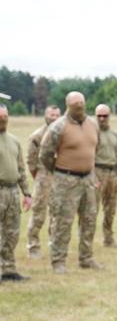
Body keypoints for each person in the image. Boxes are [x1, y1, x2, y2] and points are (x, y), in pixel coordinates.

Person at [39, 92, 101, 273]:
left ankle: (86, 257)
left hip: (88, 179)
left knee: (89, 219)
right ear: (67, 105)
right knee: (62, 221)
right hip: (65, 180)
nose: (79, 107)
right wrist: (59, 171)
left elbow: (95, 148)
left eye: (81, 103)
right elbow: (45, 154)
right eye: (75, 104)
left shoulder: (92, 124)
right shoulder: (58, 127)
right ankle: (58, 260)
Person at [0, 105, 33, 282]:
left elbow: (20, 168)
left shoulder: (13, 141)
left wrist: (27, 193)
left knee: (11, 233)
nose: (3, 120)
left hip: (12, 192)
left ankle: (8, 269)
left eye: (5, 116)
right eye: (0, 117)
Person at [26, 105, 61, 258]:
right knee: (38, 213)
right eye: (51, 115)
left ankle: (54, 245)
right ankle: (33, 246)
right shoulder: (37, 136)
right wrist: (40, 177)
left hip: (60, 178)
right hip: (43, 177)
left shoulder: (62, 134)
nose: (54, 118)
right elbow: (31, 162)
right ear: (45, 116)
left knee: (57, 214)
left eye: (57, 115)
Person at [94, 104, 117, 247]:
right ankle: (87, 239)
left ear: (109, 116)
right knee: (92, 209)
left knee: (110, 209)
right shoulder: (92, 133)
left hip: (112, 173)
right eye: (99, 116)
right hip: (97, 172)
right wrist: (92, 177)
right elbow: (88, 156)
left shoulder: (114, 135)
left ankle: (108, 238)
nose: (102, 118)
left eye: (104, 116)